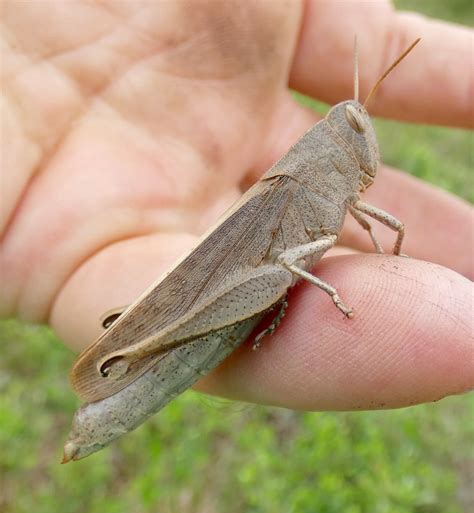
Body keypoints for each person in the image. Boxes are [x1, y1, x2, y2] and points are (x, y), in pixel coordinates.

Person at [1, 1, 472, 411]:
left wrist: (392, 253)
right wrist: (330, 293)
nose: (365, 139)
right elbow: (289, 263)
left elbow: (376, 226)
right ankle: (132, 344)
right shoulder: (295, 184)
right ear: (332, 143)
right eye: (352, 125)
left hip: (256, 282)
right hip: (216, 302)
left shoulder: (329, 188)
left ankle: (135, 339)